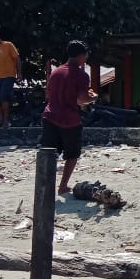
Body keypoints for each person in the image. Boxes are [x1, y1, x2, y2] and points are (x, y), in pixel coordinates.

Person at [41, 41, 97, 194]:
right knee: (72, 155)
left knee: (49, 154)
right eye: (86, 55)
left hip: (50, 116)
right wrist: (93, 97)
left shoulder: (56, 72)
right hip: (69, 120)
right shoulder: (81, 75)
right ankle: (63, 186)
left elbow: (50, 94)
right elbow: (82, 99)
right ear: (81, 55)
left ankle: (45, 187)